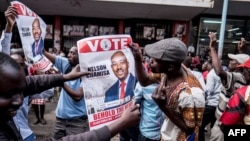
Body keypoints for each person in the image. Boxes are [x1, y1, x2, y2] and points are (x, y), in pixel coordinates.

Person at [0, 52, 91, 140]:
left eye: (21, 92)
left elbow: (34, 83)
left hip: (76, 122)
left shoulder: (85, 74)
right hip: (61, 120)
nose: (20, 101)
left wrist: (62, 78)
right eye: (9, 94)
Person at [130, 38, 205, 141]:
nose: (150, 61)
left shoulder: (189, 94)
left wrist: (163, 106)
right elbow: (144, 80)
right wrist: (137, 59)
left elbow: (189, 129)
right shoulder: (169, 72)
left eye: (155, 60)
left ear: (170, 67)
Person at [207, 32, 250, 141]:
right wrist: (242, 52)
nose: (230, 62)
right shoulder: (245, 79)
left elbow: (219, 71)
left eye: (233, 60)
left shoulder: (237, 77)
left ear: (240, 66)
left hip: (223, 127)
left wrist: (212, 48)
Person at [43, 46, 89, 139]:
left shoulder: (87, 73)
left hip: (77, 123)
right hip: (60, 120)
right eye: (69, 52)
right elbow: (45, 53)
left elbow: (77, 96)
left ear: (81, 56)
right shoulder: (67, 64)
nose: (69, 55)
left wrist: (60, 82)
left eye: (73, 53)